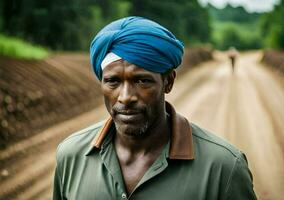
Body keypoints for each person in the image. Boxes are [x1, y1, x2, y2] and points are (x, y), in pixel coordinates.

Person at [53, 16, 257, 200]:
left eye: (142, 81)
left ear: (168, 82)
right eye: (113, 81)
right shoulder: (71, 155)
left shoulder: (224, 167)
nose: (125, 97)